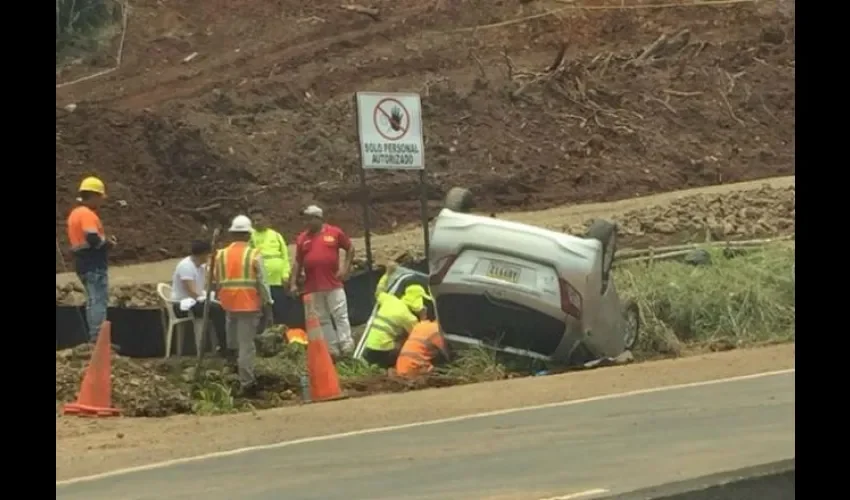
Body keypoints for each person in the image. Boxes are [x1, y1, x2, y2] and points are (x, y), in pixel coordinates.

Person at [212, 215, 274, 395]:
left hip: (227, 303)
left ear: (232, 235)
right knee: (246, 345)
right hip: (248, 303)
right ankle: (247, 382)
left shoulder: (220, 254)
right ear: (248, 235)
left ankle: (231, 370)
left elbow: (215, 280)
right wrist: (268, 304)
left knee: (232, 340)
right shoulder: (253, 254)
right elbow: (262, 282)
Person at [290, 205, 356, 356]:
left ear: (318, 218)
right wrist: (293, 283)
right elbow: (298, 262)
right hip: (312, 286)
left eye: (309, 218)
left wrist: (345, 268)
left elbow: (350, 248)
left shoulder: (334, 232)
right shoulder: (302, 238)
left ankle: (346, 346)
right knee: (322, 318)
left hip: (333, 283)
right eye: (305, 219)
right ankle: (332, 348)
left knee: (340, 314)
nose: (306, 222)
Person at [66, 176, 116, 343]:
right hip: (94, 264)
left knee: (92, 301)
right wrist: (107, 243)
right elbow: (93, 239)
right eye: (100, 196)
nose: (101, 201)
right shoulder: (87, 214)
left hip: (82, 263)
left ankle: (95, 338)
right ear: (93, 195)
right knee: (98, 301)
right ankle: (98, 339)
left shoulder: (74, 214)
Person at [170, 240, 228, 355]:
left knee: (223, 306)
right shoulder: (186, 266)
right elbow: (192, 291)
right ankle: (224, 346)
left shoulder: (201, 267)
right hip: (182, 305)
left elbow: (205, 286)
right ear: (203, 254)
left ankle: (223, 343)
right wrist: (206, 299)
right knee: (217, 310)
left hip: (196, 301)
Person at [362, 284, 432, 369]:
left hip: (369, 344)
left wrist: (387, 275)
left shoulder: (390, 299)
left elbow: (378, 293)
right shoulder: (409, 317)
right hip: (384, 350)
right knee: (406, 343)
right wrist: (423, 316)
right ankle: (394, 367)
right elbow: (419, 335)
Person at [248, 207, 290, 322]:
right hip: (261, 283)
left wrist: (285, 274)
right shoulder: (251, 237)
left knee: (280, 311)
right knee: (264, 314)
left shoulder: (276, 235)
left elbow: (285, 255)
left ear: (265, 219)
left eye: (259, 220)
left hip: (277, 281)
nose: (256, 223)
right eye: (254, 221)